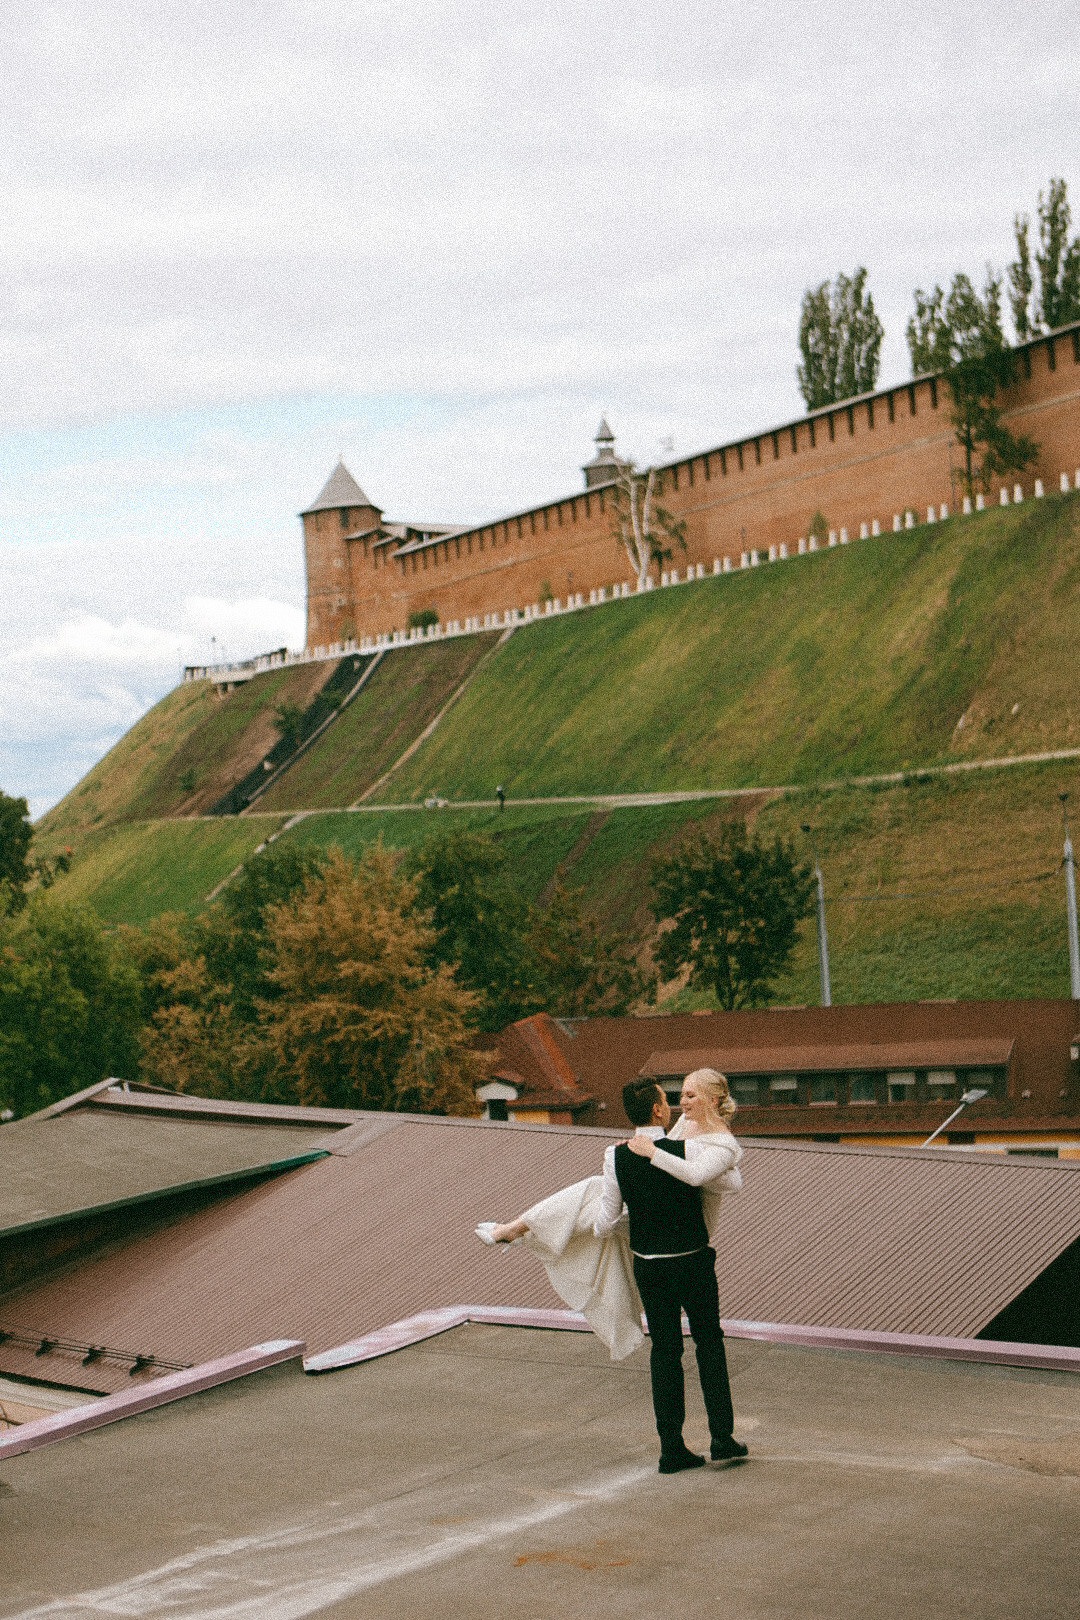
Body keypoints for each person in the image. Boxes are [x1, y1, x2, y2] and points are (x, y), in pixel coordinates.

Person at [477, 1067, 746, 1472]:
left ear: (710, 1099)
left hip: (648, 1264)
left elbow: (717, 1182)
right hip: (691, 1260)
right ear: (659, 1110)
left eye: (690, 1095)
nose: (681, 1103)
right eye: (677, 1096)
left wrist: (627, 1210)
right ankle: (721, 1439)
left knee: (666, 1351)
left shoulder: (628, 1152)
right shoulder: (679, 1144)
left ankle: (671, 1449)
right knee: (708, 1343)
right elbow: (688, 1175)